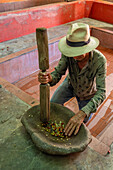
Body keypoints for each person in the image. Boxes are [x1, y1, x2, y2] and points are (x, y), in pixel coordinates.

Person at [38, 23, 107, 137]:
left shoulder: (100, 61)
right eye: (72, 53)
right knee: (53, 104)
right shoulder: (68, 53)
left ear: (87, 47)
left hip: (88, 93)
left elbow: (102, 92)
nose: (74, 56)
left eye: (78, 52)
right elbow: (57, 73)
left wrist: (82, 113)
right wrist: (49, 78)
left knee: (81, 123)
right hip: (70, 84)